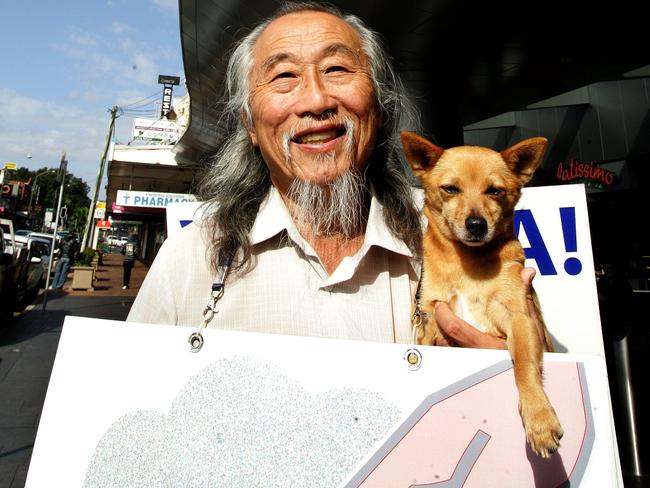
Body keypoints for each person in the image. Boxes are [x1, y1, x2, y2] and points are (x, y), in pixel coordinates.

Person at [128, 2, 540, 349]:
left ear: (377, 110)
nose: (316, 99)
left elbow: (549, 377)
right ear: (251, 125)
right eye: (284, 75)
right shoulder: (188, 261)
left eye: (338, 69)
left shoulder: (455, 234)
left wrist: (506, 374)